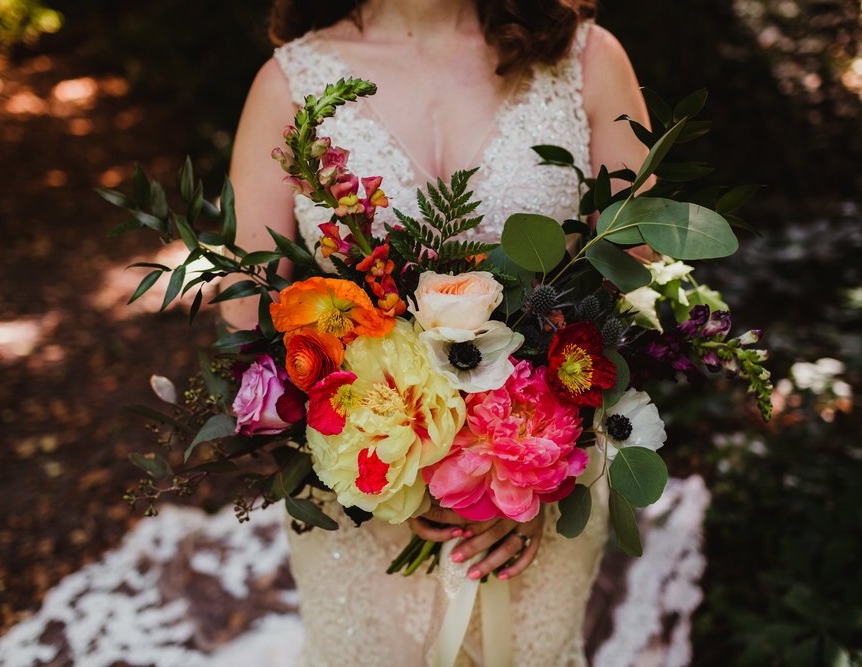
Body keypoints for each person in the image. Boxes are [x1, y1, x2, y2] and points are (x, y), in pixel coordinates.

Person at [220, 1, 653, 664]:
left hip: (541, 485)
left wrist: (537, 469)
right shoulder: (288, 84)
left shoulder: (587, 61)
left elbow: (633, 280)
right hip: (362, 497)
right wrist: (389, 456)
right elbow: (245, 310)